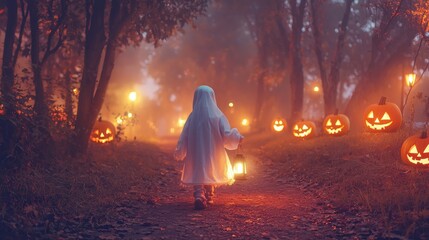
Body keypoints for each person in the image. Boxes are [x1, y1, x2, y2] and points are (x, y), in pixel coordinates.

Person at [174, 85, 243, 210]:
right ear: (212, 98)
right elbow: (226, 134)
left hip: (196, 151)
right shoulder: (218, 116)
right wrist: (237, 137)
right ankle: (209, 194)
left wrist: (180, 150)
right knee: (211, 167)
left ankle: (199, 194)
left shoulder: (192, 117)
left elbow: (184, 135)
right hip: (213, 151)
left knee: (198, 168)